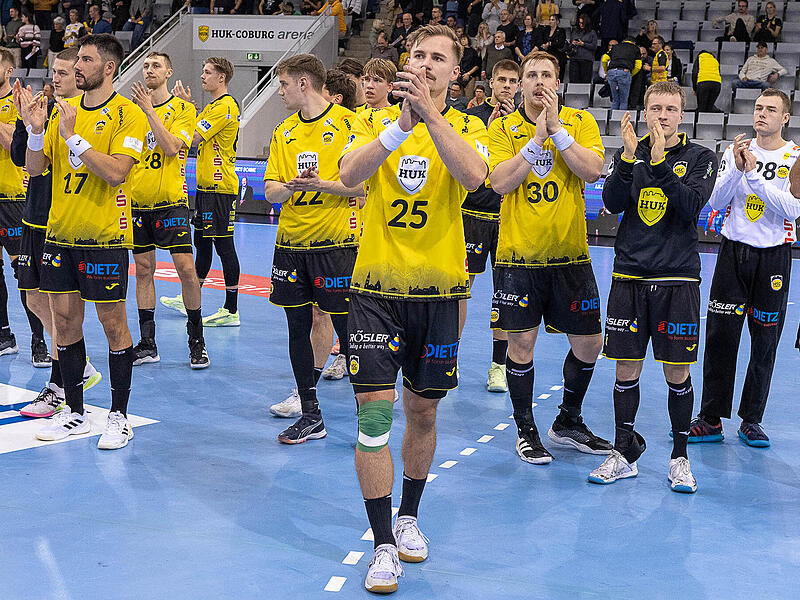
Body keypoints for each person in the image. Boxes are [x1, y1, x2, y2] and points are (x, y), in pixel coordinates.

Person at [338, 24, 489, 594]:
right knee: (374, 419)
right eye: (417, 56)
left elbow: (475, 179)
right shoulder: (377, 120)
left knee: (422, 414)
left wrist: (431, 118)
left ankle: (409, 517)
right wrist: (402, 126)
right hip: (376, 290)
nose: (425, 65)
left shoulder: (469, 128)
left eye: (437, 59)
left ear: (456, 72)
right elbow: (350, 176)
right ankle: (381, 546)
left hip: (438, 294)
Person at [589, 81, 718, 493]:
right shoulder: (630, 151)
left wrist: (660, 162)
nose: (663, 116)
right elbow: (611, 201)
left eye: (671, 109)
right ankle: (624, 452)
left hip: (677, 277)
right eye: (656, 108)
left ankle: (680, 457)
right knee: (626, 368)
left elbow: (690, 205)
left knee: (676, 374)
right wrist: (628, 157)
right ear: (646, 112)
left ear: (682, 114)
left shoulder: (701, 157)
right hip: (629, 274)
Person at [23, 33, 149, 449]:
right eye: (77, 59)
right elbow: (37, 170)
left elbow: (116, 172)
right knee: (65, 324)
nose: (78, 66)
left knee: (113, 324)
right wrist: (38, 132)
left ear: (108, 67)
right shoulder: (66, 110)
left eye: (87, 60)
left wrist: (75, 137)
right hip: (59, 234)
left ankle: (119, 416)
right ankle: (74, 412)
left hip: (104, 237)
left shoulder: (129, 114)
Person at [489, 50, 610, 464]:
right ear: (520, 84)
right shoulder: (503, 127)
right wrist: (536, 138)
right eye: (531, 75)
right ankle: (525, 429)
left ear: (557, 84)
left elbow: (593, 170)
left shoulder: (581, 122)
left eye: (547, 74)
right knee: (520, 344)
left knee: (591, 343)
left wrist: (557, 131)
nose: (539, 81)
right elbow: (501, 182)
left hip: (570, 256)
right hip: (518, 257)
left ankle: (568, 420)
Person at [690, 89, 800, 448]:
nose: (762, 114)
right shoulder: (735, 151)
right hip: (733, 251)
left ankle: (751, 419)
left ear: (785, 117)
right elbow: (716, 201)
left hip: (774, 256)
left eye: (771, 109)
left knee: (765, 341)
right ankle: (710, 418)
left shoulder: (795, 155)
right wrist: (738, 170)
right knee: (721, 336)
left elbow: (792, 209)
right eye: (758, 108)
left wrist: (753, 177)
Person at [263, 54, 361, 443]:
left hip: (337, 245)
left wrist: (321, 185)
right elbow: (269, 190)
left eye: (284, 84)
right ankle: (310, 413)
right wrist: (290, 186)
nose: (280, 91)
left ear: (304, 83)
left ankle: (366, 414)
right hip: (290, 247)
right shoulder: (283, 130)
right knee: (297, 330)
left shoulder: (350, 125)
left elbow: (364, 187)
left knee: (351, 332)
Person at [13, 47, 103, 419]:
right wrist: (25, 122)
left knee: (58, 306)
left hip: (62, 223)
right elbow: (23, 159)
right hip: (33, 217)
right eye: (56, 72)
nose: (57, 78)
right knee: (33, 298)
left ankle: (59, 383)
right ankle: (77, 364)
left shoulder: (84, 118)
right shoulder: (44, 112)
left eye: (64, 73)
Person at [128, 52, 209, 370]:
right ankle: (148, 343)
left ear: (169, 71)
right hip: (137, 203)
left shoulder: (183, 110)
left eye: (156, 66)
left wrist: (149, 112)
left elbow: (172, 147)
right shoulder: (131, 112)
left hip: (171, 202)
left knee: (187, 271)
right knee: (144, 271)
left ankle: (196, 341)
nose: (149, 70)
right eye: (145, 66)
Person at [161, 58, 242, 327]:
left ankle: (231, 310)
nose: (202, 75)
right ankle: (190, 295)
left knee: (223, 245)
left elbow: (192, 137)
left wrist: (183, 111)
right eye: (203, 70)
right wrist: (192, 110)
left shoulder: (225, 106)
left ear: (222, 78)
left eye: (208, 72)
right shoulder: (212, 107)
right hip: (207, 187)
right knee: (203, 243)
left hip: (221, 187)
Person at [460, 59, 519, 394]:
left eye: (513, 81)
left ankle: (499, 365)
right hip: (472, 215)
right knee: (459, 288)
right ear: (490, 82)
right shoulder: (472, 119)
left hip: (510, 217)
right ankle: (448, 357)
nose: (507, 86)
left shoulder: (526, 122)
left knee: (505, 293)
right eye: (502, 79)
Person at [0, 46, 46, 364]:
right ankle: (5, 335)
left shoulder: (18, 105)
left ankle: (39, 340)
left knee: (24, 271)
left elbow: (11, 144)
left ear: (8, 71)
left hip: (13, 196)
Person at [603, 37, 641, 111]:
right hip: (624, 72)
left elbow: (604, 59)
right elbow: (638, 66)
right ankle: (621, 121)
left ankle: (612, 120)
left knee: (615, 100)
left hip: (611, 72)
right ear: (633, 43)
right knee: (623, 100)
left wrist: (606, 72)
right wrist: (630, 74)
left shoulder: (615, 47)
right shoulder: (635, 48)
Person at [568, 13, 597, 84]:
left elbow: (594, 46)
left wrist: (583, 44)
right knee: (573, 80)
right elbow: (571, 42)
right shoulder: (575, 31)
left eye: (582, 23)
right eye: (580, 23)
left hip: (586, 59)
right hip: (575, 58)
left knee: (585, 81)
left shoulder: (592, 33)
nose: (581, 25)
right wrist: (573, 43)